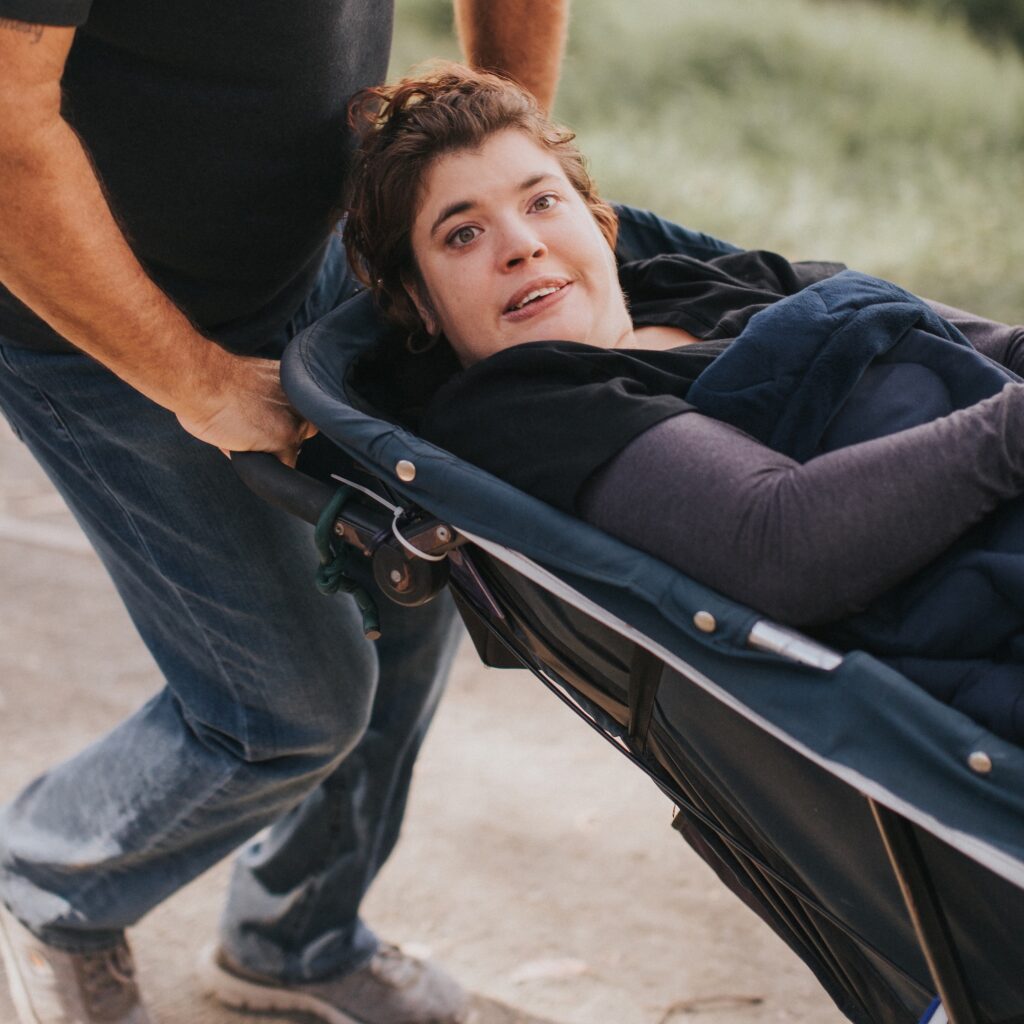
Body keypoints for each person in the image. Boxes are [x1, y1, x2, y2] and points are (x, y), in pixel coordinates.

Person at [0, 9, 569, 1024]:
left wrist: (493, 153)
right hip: (81, 313)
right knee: (284, 706)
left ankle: (294, 933)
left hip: (315, 252)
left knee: (416, 573)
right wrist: (195, 381)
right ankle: (46, 881)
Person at [340, 64, 1024, 743]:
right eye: (463, 233)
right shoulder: (523, 401)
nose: (522, 245)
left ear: (601, 223)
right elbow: (780, 544)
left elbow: (996, 347)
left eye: (542, 201)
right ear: (422, 302)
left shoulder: (703, 279)